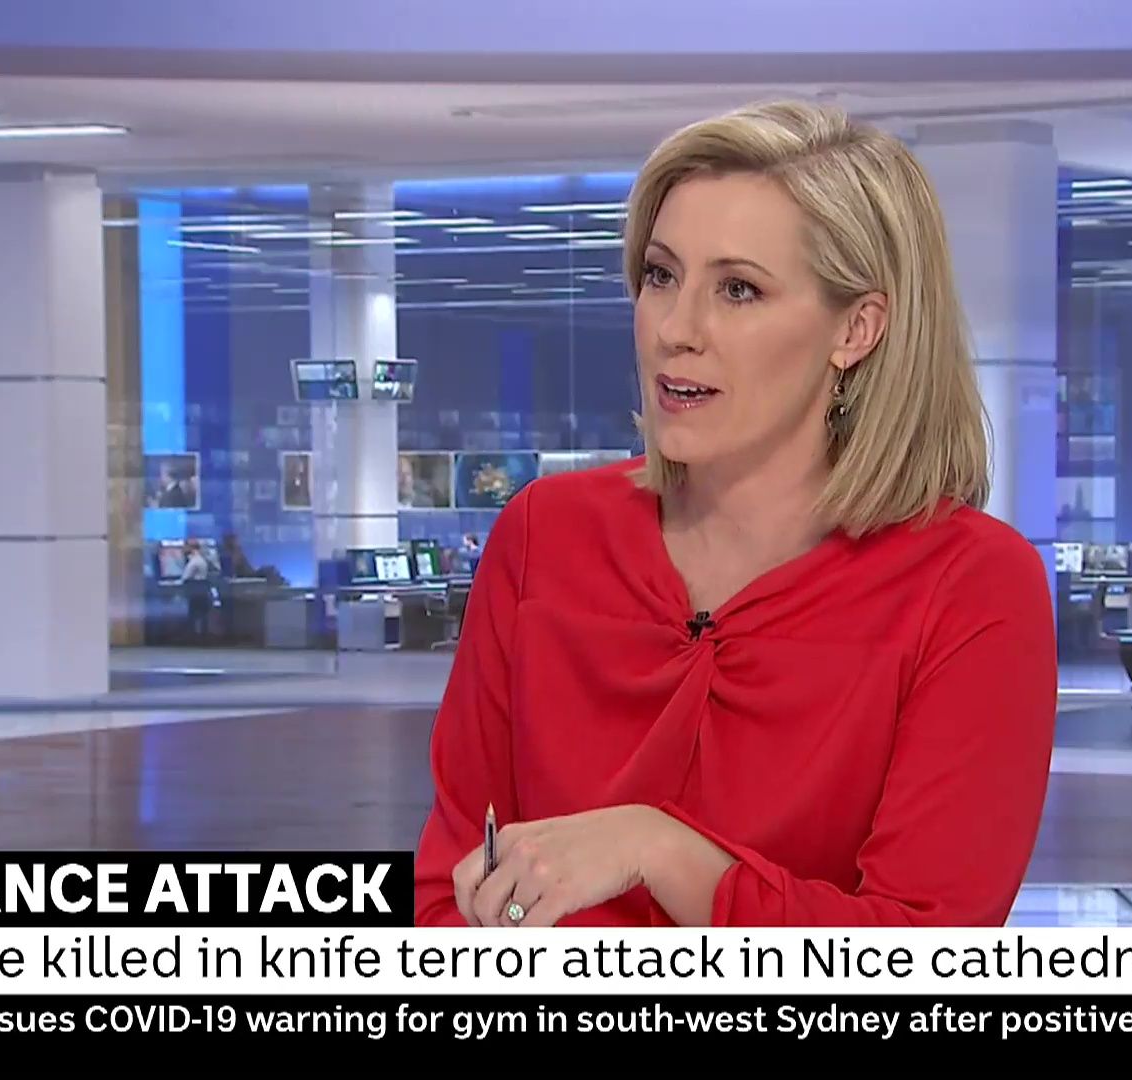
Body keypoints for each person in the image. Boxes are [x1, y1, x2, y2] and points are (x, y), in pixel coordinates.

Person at [413, 100, 1058, 929]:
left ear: (857, 329)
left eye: (739, 289)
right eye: (660, 276)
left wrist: (662, 852)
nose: (676, 330)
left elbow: (926, 948)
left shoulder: (970, 585)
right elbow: (447, 892)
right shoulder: (544, 535)